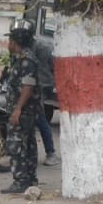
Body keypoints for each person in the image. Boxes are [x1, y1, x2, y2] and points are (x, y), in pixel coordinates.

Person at [1, 26, 41, 194]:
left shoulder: (26, 61)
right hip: (27, 109)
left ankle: (21, 180)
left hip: (24, 110)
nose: (8, 43)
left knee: (16, 144)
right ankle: (30, 178)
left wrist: (18, 109)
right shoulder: (21, 58)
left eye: (10, 40)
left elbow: (28, 86)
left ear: (16, 42)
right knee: (28, 144)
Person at [32, 35, 61, 166]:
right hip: (42, 83)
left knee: (40, 118)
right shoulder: (46, 46)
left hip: (40, 85)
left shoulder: (34, 48)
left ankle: (51, 153)